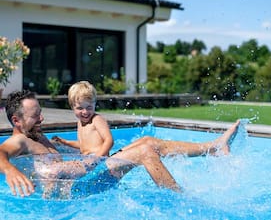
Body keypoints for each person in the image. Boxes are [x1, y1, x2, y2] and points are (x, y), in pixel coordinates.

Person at [0, 89, 240, 197]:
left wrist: (67, 145)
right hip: (77, 191)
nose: (42, 118)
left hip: (84, 177)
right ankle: (181, 201)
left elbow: (69, 157)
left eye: (41, 113)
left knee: (148, 140)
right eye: (35, 116)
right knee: (145, 151)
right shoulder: (20, 140)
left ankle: (213, 147)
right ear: (16, 120)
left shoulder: (36, 136)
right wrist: (9, 169)